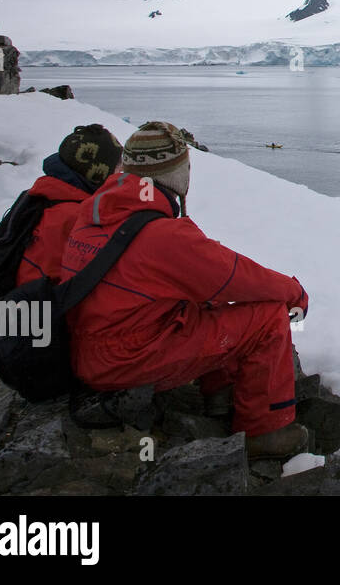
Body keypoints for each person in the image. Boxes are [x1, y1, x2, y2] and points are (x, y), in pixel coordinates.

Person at [61, 121, 311, 459]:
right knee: (266, 318)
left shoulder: (96, 214)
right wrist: (294, 293)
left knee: (200, 299)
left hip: (90, 351)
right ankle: (264, 430)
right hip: (126, 359)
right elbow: (235, 275)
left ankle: (220, 398)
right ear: (175, 173)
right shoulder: (161, 234)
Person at [15, 124, 122, 286]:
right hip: (37, 307)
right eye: (117, 168)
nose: (120, 175)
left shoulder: (42, 195)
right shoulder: (74, 216)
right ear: (98, 173)